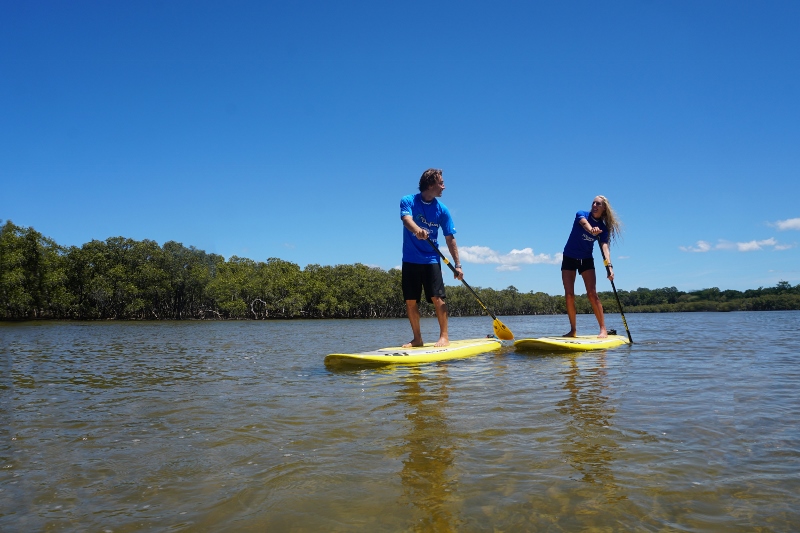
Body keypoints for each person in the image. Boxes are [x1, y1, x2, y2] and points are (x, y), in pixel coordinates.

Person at [400, 168, 463, 347]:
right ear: (430, 184)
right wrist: (417, 230)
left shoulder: (442, 210)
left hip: (431, 260)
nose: (444, 186)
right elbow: (406, 219)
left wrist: (458, 265)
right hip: (410, 259)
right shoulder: (408, 200)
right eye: (441, 183)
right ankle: (417, 339)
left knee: (438, 298)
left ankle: (444, 337)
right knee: (411, 300)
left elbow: (450, 238)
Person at [561, 195, 622, 338]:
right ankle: (573, 330)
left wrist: (610, 267)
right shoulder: (581, 214)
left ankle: (603, 329)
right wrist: (591, 230)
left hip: (586, 259)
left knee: (592, 294)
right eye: (593, 203)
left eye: (598, 204)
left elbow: (605, 247)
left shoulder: (603, 228)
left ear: (604, 208)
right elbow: (585, 225)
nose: (594, 205)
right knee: (569, 295)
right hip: (569, 256)